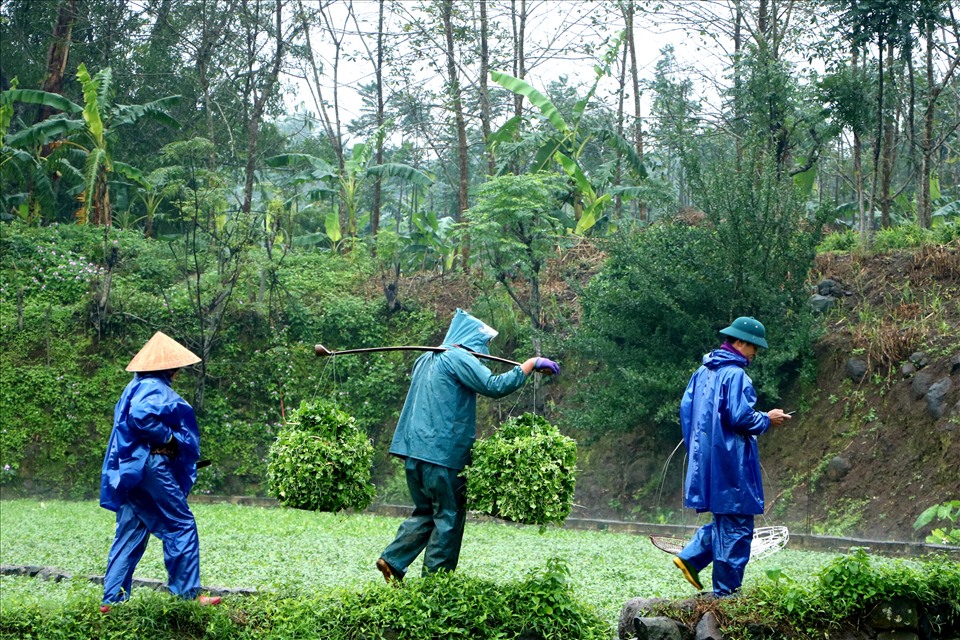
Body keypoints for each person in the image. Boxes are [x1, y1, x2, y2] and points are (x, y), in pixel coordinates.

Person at [376, 309, 560, 583]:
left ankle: (392, 559)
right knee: (449, 516)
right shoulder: (458, 358)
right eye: (484, 343)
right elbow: (492, 385)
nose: (484, 350)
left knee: (427, 511)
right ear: (470, 339)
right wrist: (530, 364)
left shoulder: (425, 358)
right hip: (443, 454)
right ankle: (436, 586)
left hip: (413, 453)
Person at [99, 331, 221, 612]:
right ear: (170, 367)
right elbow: (141, 417)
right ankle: (187, 595)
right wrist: (168, 439)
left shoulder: (133, 387)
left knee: (131, 530)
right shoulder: (153, 388)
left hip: (131, 469)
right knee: (181, 524)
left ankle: (112, 601)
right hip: (151, 466)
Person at [673, 316, 791, 598]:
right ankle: (726, 594)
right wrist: (767, 418)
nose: (755, 354)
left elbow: (686, 411)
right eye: (754, 348)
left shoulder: (702, 372)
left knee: (725, 521)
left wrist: (699, 451)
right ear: (740, 342)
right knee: (738, 528)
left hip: (707, 463)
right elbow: (740, 417)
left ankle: (692, 556)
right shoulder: (735, 374)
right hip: (732, 463)